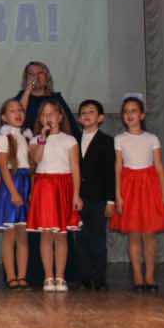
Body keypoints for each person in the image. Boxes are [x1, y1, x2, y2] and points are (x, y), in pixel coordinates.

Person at [112, 93, 164, 292]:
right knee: (134, 234)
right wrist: (118, 195)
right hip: (129, 186)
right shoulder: (120, 139)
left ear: (142, 115)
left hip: (149, 186)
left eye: (133, 111)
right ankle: (138, 276)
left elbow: (159, 166)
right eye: (126, 112)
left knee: (149, 234)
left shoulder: (151, 138)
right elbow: (118, 167)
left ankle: (150, 276)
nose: (129, 115)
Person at [28, 100, 82, 292]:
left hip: (63, 186)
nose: (48, 117)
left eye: (51, 113)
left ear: (60, 117)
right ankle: (48, 277)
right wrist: (42, 138)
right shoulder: (35, 140)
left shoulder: (70, 140)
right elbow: (36, 159)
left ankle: (60, 276)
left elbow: (75, 168)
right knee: (46, 234)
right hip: (44, 186)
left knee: (61, 234)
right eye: (44, 114)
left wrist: (76, 194)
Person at [71, 99, 115, 290]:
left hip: (98, 198)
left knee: (97, 238)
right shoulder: (73, 139)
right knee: (80, 238)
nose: (86, 115)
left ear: (101, 118)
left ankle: (99, 277)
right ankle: (84, 277)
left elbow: (110, 173)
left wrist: (111, 200)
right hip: (78, 197)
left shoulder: (107, 141)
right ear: (79, 119)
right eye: (83, 113)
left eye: (91, 112)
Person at [0, 97, 32, 289]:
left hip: (25, 183)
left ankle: (22, 276)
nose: (18, 114)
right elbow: (3, 167)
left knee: (23, 234)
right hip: (11, 185)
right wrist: (14, 192)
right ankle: (10, 276)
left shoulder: (26, 137)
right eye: (13, 111)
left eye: (20, 110)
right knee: (10, 234)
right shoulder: (3, 138)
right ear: (4, 117)